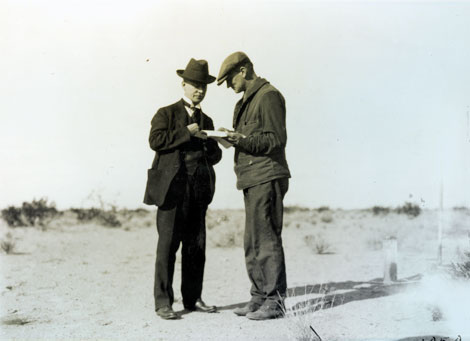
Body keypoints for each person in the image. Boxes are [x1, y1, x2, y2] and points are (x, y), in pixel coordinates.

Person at [143, 58, 222, 320]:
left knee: (195, 247)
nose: (199, 89)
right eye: (195, 85)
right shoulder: (165, 113)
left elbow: (215, 157)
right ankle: (163, 303)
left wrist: (213, 141)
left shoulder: (207, 119)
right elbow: (155, 141)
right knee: (167, 247)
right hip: (171, 193)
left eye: (203, 86)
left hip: (198, 193)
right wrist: (186, 133)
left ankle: (193, 299)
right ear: (184, 84)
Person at [217, 52, 291, 320]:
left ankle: (275, 301)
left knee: (266, 239)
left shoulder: (268, 96)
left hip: (267, 176)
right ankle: (259, 297)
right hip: (251, 178)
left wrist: (241, 140)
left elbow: (275, 140)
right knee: (252, 241)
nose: (228, 86)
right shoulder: (245, 102)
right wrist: (234, 138)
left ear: (244, 70)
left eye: (229, 79)